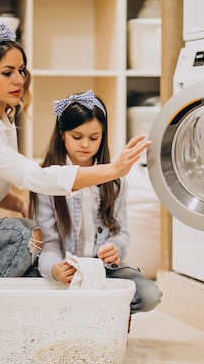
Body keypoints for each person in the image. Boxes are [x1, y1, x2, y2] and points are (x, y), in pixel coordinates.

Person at [0, 25, 150, 353]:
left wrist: (18, 203)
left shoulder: (1, 120)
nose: (18, 80)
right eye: (7, 72)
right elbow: (35, 176)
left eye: (21, 70)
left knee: (25, 242)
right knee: (23, 235)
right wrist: (113, 170)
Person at [31, 90, 162, 326]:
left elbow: (121, 232)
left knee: (150, 295)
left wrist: (116, 249)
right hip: (64, 270)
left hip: (103, 271)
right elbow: (47, 243)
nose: (85, 145)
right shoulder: (47, 178)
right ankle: (91, 313)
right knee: (30, 290)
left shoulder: (114, 180)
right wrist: (55, 270)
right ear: (62, 134)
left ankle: (102, 314)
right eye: (77, 136)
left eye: (94, 138)